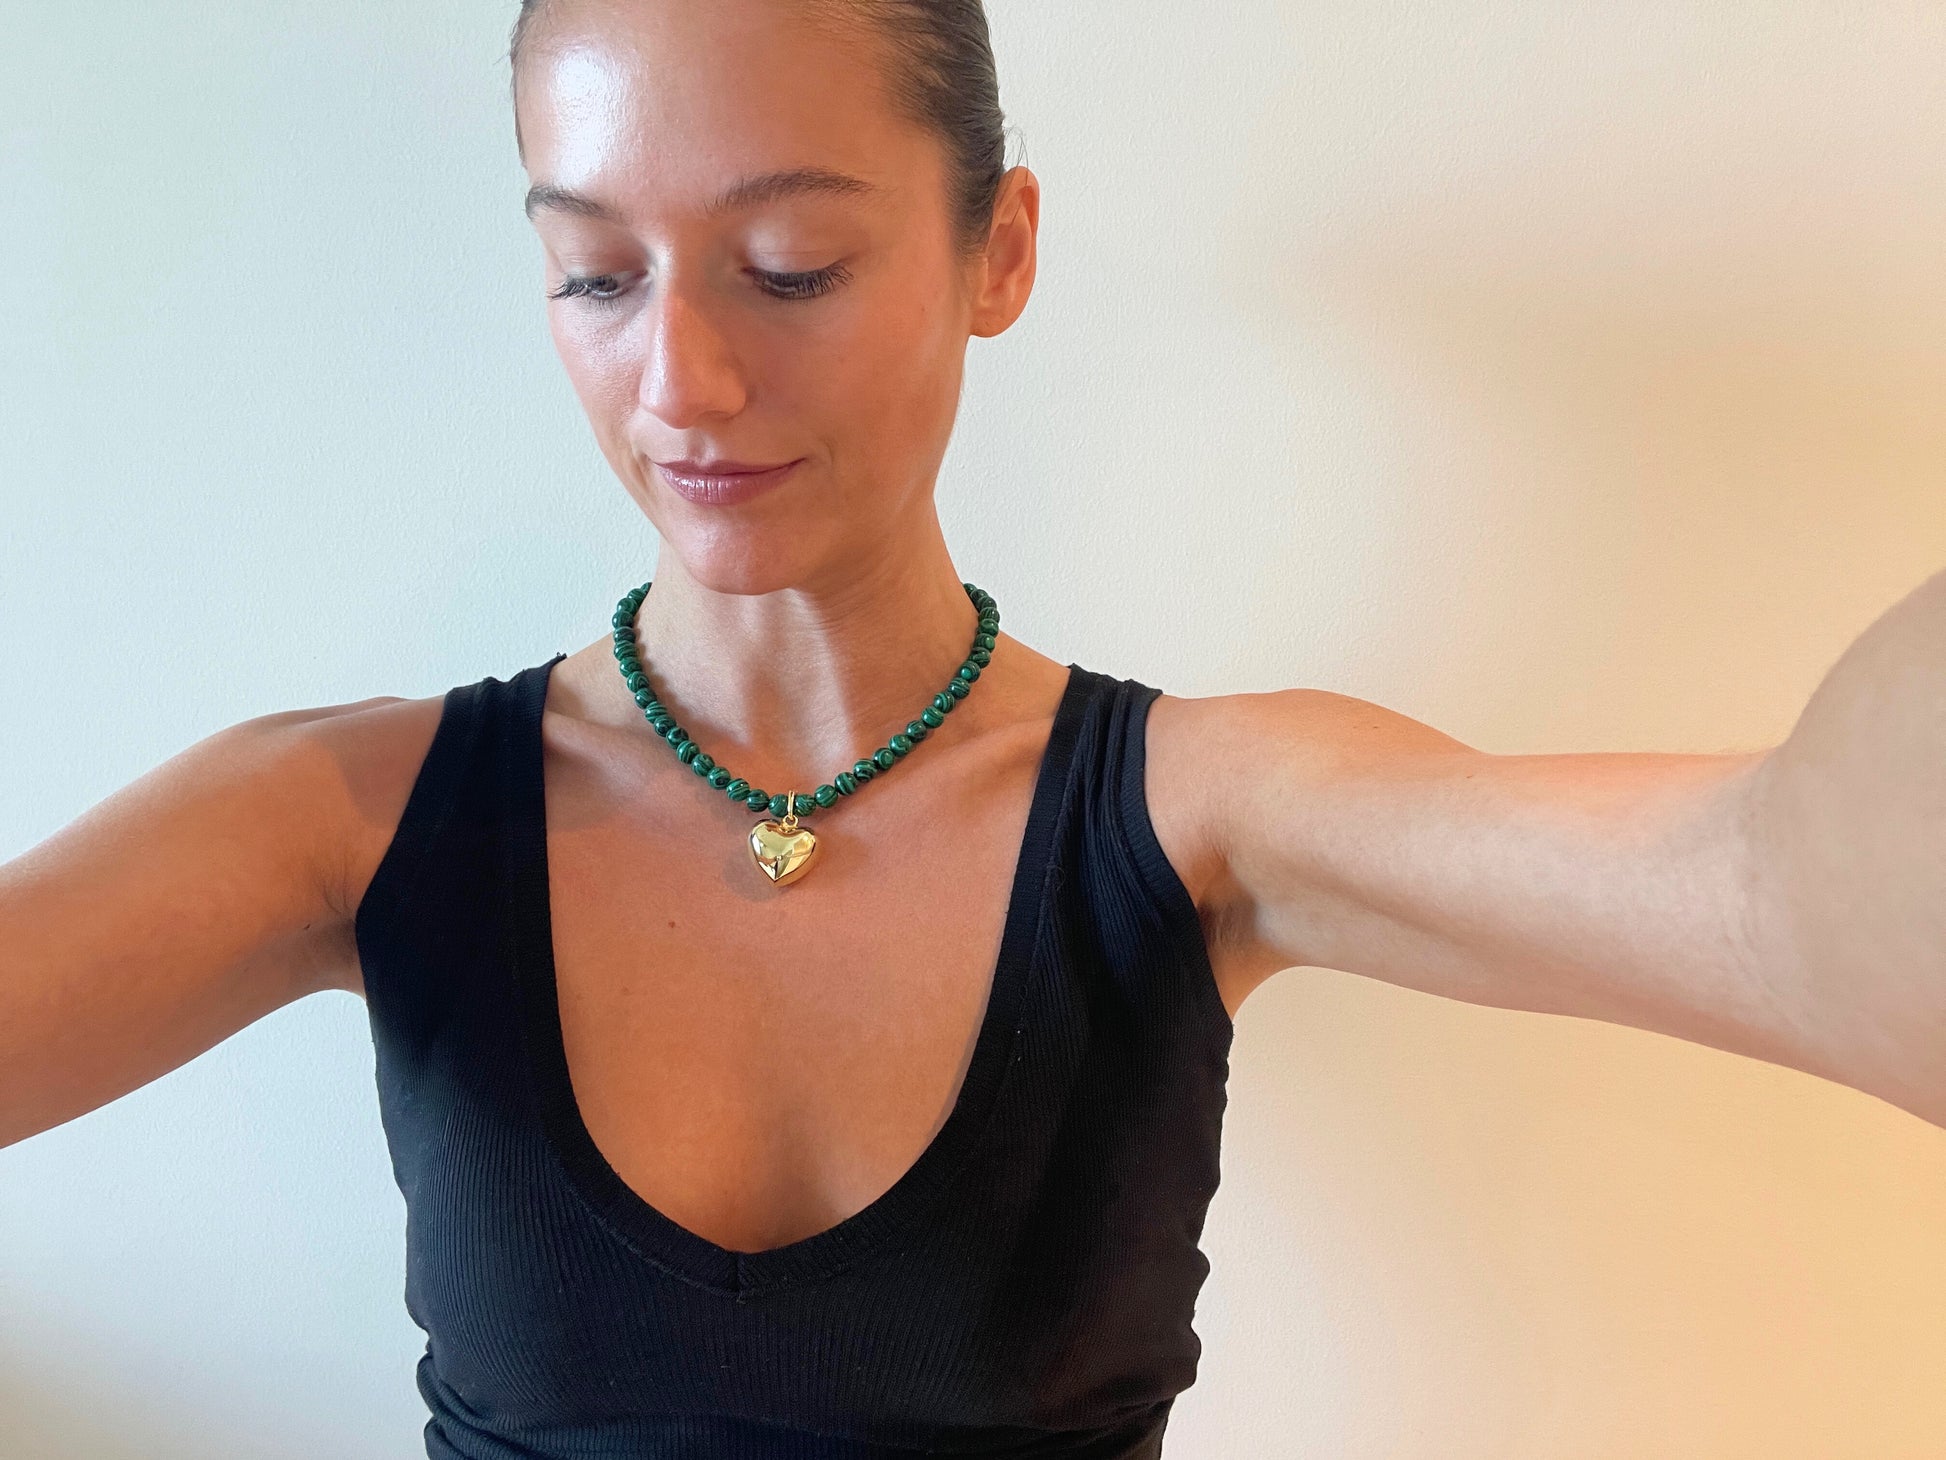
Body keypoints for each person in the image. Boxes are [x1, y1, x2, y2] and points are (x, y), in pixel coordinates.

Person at [3, 1, 1941, 1456]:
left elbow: (1772, 895)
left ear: (997, 249)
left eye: (789, 265)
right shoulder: (348, 817)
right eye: (595, 272)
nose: (680, 379)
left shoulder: (1194, 818)